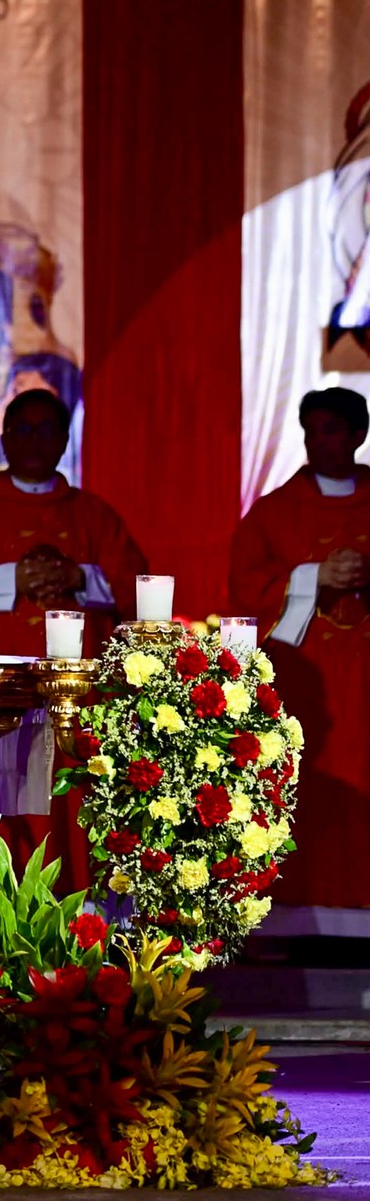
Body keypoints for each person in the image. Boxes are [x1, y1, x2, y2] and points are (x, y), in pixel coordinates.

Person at [0, 388, 146, 884]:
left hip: (82, 698)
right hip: (4, 695)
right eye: (24, 429)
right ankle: (0, 905)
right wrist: (15, 579)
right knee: (8, 806)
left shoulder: (94, 516)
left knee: (76, 800)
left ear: (65, 439)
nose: (35, 440)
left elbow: (137, 588)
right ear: (5, 438)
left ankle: (87, 909)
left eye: (48, 429)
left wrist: (79, 577)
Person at [230, 386, 370, 916]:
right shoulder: (273, 513)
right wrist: (312, 577)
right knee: (303, 791)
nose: (317, 441)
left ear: (359, 434)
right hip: (305, 683)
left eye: (330, 429)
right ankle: (300, 915)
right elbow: (245, 588)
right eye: (310, 430)